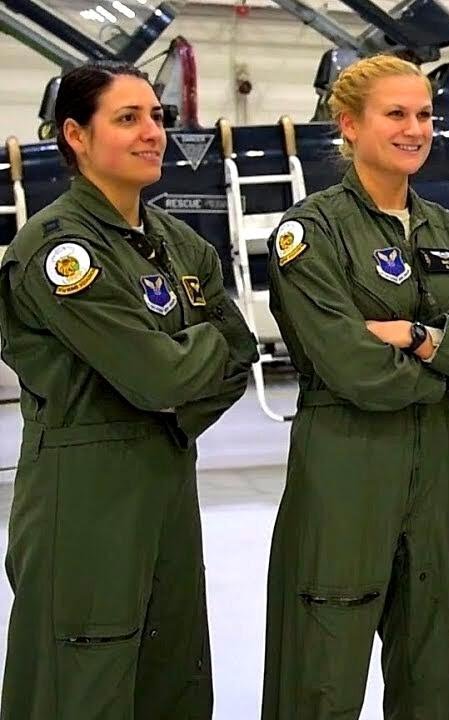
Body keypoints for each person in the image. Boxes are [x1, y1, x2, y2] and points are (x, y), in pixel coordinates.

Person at [0, 60, 257, 719]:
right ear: (76, 135)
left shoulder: (176, 242)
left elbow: (241, 353)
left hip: (168, 480)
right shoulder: (60, 251)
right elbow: (160, 375)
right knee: (81, 686)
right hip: (86, 500)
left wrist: (175, 385)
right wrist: (187, 359)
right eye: (127, 118)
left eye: (156, 117)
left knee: (171, 680)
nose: (153, 133)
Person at [260, 54, 449, 719]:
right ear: (349, 124)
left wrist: (414, 335)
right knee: (323, 663)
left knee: (434, 660)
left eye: (424, 114)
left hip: (434, 467)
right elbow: (355, 370)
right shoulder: (311, 232)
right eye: (396, 114)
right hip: (345, 461)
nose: (415, 129)